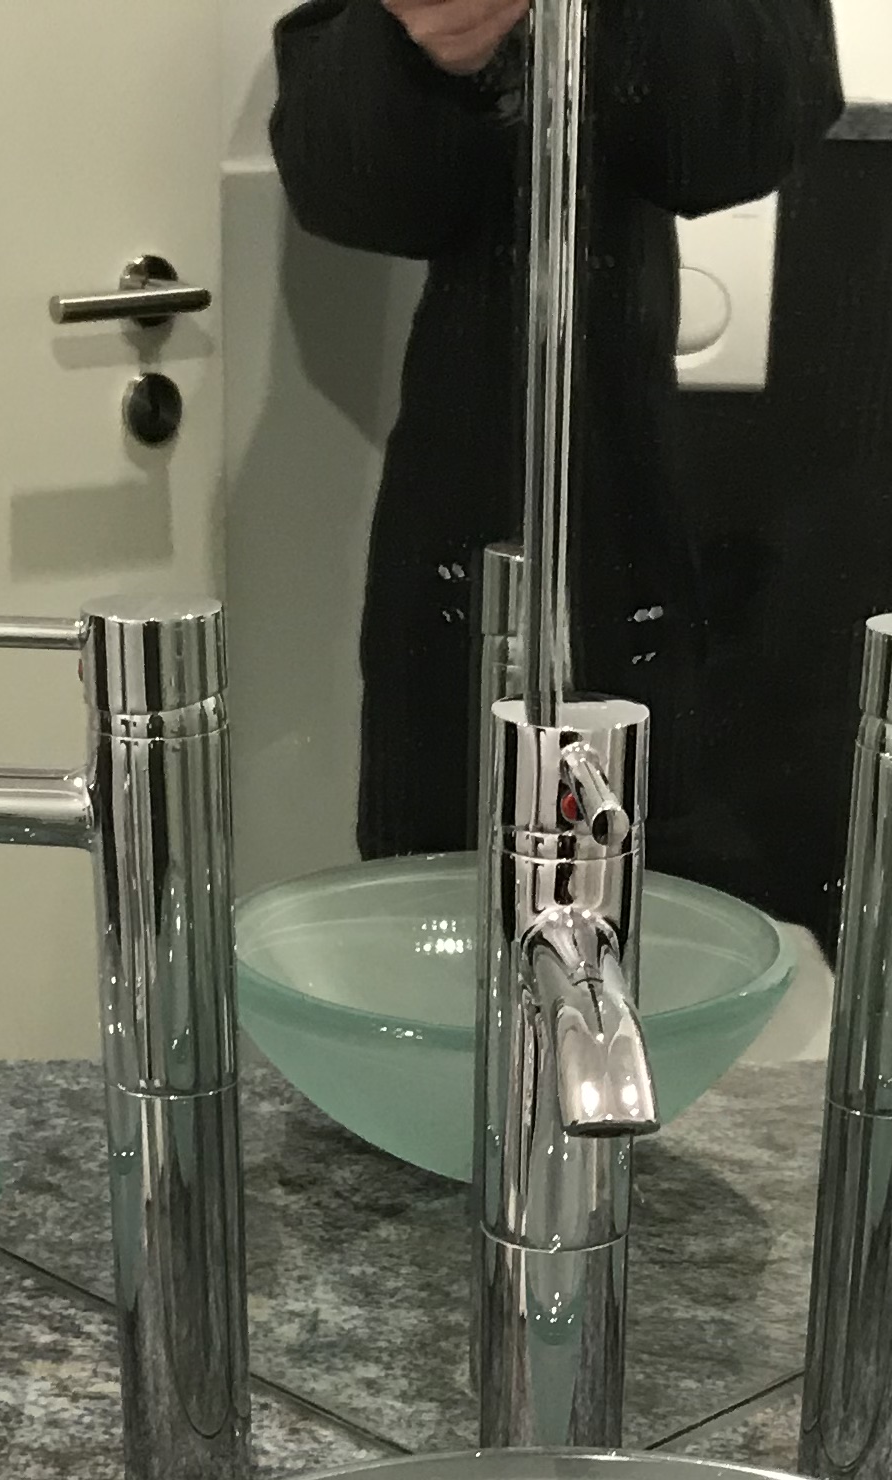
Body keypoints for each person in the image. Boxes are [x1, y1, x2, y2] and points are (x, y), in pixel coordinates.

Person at [271, 0, 842, 861]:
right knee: (437, 879)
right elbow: (339, 183)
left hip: (670, 510)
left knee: (660, 880)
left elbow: (751, 125)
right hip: (469, 519)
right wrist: (415, 51)